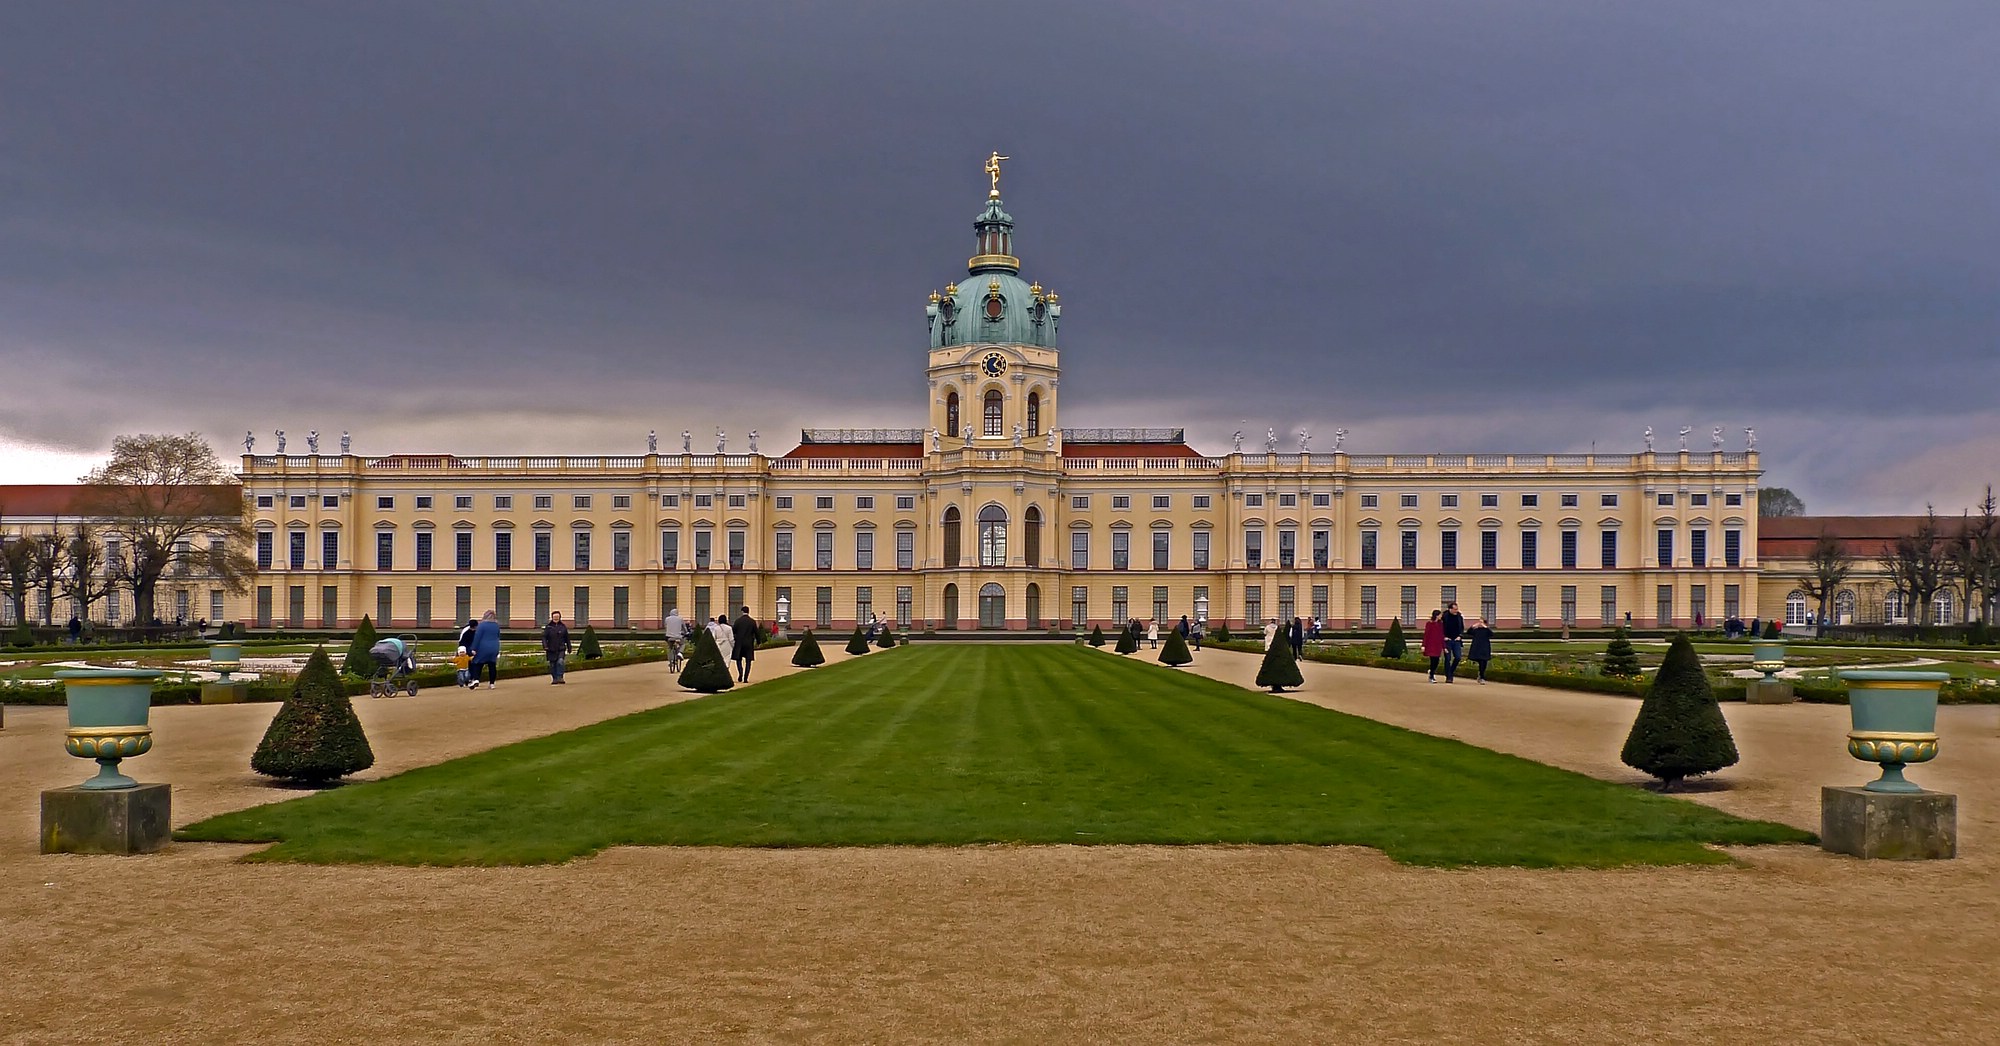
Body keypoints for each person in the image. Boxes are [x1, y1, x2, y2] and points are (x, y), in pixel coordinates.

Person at [468, 610, 502, 689]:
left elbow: (477, 637)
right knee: (492, 665)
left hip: (483, 647)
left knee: (477, 663)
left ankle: (476, 679)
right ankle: (492, 683)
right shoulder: (496, 626)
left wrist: (473, 648)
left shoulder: (482, 625)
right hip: (494, 646)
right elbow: (498, 636)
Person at [542, 610, 572, 684]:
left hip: (561, 648)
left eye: (557, 617)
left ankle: (560, 677)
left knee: (560, 662)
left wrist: (569, 647)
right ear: (552, 618)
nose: (556, 618)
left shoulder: (563, 627)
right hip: (551, 649)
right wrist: (545, 645)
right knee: (552, 665)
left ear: (559, 617)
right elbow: (544, 637)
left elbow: (567, 638)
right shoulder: (548, 627)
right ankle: (554, 678)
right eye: (554, 617)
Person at [731, 606, 759, 682]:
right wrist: (759, 642)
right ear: (748, 611)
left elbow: (733, 631)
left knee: (738, 660)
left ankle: (740, 673)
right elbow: (756, 633)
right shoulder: (752, 621)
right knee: (748, 661)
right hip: (749, 644)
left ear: (742, 611)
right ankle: (746, 678)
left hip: (739, 643)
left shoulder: (738, 621)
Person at [1441, 601, 1465, 683]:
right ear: (1450, 609)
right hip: (1447, 640)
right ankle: (1448, 677)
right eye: (1455, 609)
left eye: (1457, 609)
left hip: (1456, 640)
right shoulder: (1444, 616)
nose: (1456, 611)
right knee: (1447, 659)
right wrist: (1444, 637)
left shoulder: (1459, 617)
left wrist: (1460, 636)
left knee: (1458, 657)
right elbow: (1441, 628)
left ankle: (1450, 672)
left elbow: (1462, 628)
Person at [1466, 617, 1494, 684]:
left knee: (1484, 662)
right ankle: (1481, 676)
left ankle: (1481, 675)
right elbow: (1468, 632)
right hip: (1477, 647)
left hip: (1484, 648)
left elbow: (1491, 634)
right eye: (1479, 622)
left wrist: (1486, 627)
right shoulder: (1476, 630)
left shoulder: (1486, 630)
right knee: (1480, 661)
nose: (1480, 624)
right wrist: (1473, 626)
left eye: (1481, 622)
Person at [1421, 609, 1446, 683]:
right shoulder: (1429, 624)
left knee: (1437, 661)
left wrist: (1444, 647)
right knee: (1433, 660)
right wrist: (1424, 645)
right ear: (1437, 615)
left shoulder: (1441, 624)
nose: (1441, 616)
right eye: (1440, 615)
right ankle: (1431, 676)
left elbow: (1442, 635)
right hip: (1431, 644)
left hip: (1437, 645)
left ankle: (1432, 671)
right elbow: (1426, 634)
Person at [663, 607, 688, 672]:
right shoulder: (680, 619)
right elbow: (684, 627)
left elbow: (666, 626)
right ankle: (680, 653)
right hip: (678, 637)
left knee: (669, 648)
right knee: (683, 644)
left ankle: (670, 661)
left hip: (669, 637)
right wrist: (686, 632)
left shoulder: (667, 619)